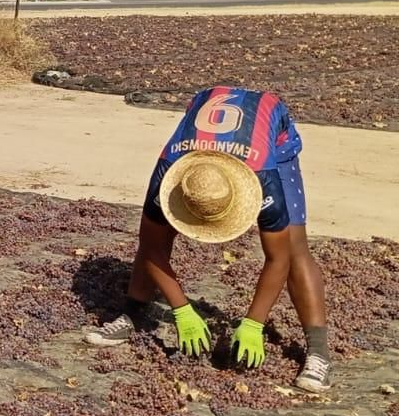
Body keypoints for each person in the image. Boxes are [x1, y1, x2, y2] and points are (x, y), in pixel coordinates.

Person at [84, 85, 331, 393]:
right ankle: (133, 313)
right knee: (156, 233)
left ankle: (318, 351)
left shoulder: (265, 179)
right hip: (200, 128)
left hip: (271, 130)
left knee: (294, 246)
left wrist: (254, 322)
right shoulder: (169, 172)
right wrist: (181, 308)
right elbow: (151, 248)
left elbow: (277, 258)